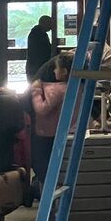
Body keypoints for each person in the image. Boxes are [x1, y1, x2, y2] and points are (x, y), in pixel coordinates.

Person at [30, 53, 72, 189]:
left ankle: (45, 189)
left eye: (57, 68)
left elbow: (41, 109)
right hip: (64, 129)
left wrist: (36, 90)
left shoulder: (57, 90)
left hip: (48, 131)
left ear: (64, 72)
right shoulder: (74, 87)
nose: (54, 71)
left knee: (43, 161)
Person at [26, 15, 54, 83]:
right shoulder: (38, 34)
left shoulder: (36, 33)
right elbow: (43, 51)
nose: (51, 26)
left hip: (34, 67)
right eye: (50, 23)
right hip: (36, 67)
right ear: (44, 23)